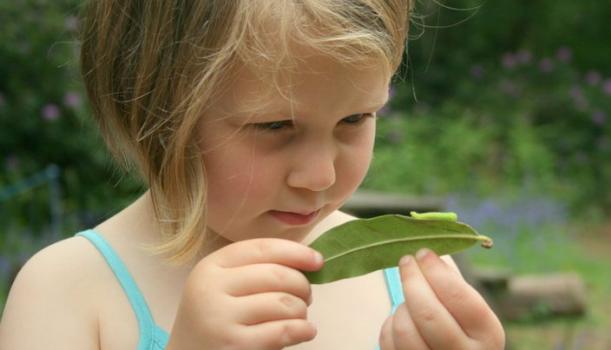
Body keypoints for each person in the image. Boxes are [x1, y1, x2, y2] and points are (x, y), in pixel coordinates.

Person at [0, 1, 505, 349]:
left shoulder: (398, 280)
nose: (320, 174)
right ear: (158, 112)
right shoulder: (67, 290)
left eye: (355, 119)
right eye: (275, 126)